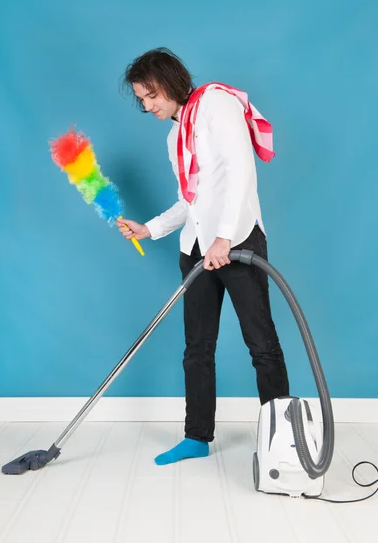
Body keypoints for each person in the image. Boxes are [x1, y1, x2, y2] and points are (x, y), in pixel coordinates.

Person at [117, 48, 290, 465]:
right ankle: (197, 437)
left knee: (261, 345)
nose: (148, 105)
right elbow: (189, 201)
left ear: (170, 82)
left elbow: (240, 172)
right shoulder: (174, 136)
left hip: (239, 243)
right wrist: (150, 228)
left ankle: (282, 439)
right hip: (196, 250)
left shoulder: (216, 104)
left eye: (150, 94)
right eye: (142, 99)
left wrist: (225, 239)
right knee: (197, 347)